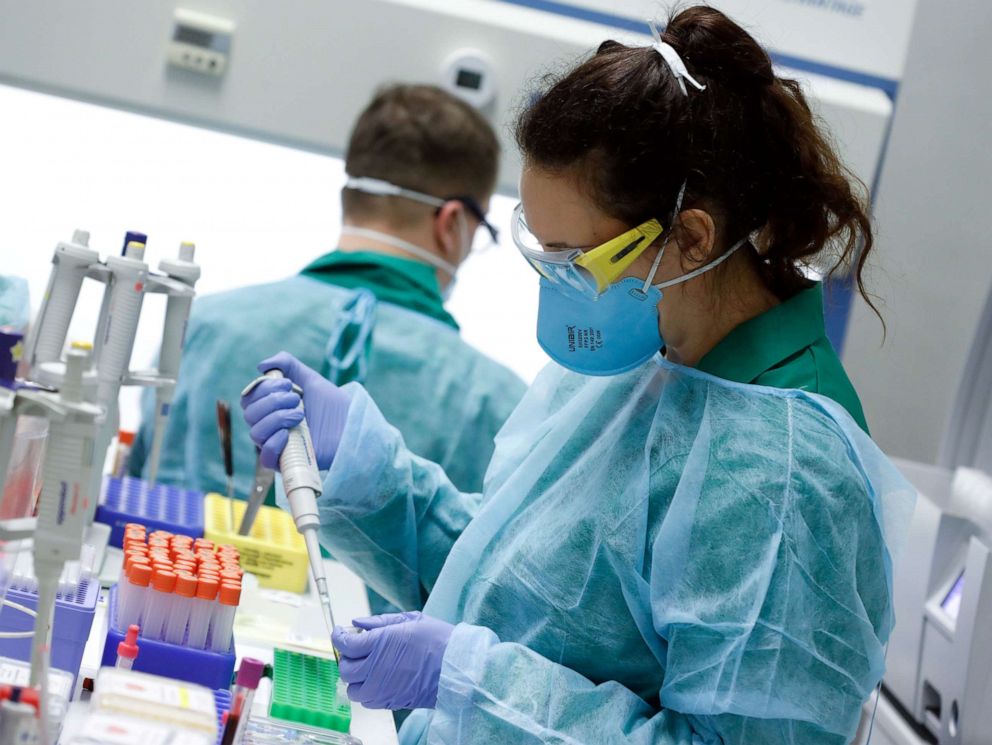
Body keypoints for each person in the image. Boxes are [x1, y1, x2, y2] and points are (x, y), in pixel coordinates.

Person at [241, 8, 915, 744]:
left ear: (690, 238)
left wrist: (469, 681)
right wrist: (367, 474)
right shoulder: (643, 360)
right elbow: (517, 585)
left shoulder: (786, 476)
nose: (555, 285)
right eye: (541, 250)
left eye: (573, 259)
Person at [129, 84, 526, 506]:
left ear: (350, 197)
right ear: (452, 224)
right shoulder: (493, 402)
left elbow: (137, 489)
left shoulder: (201, 326)